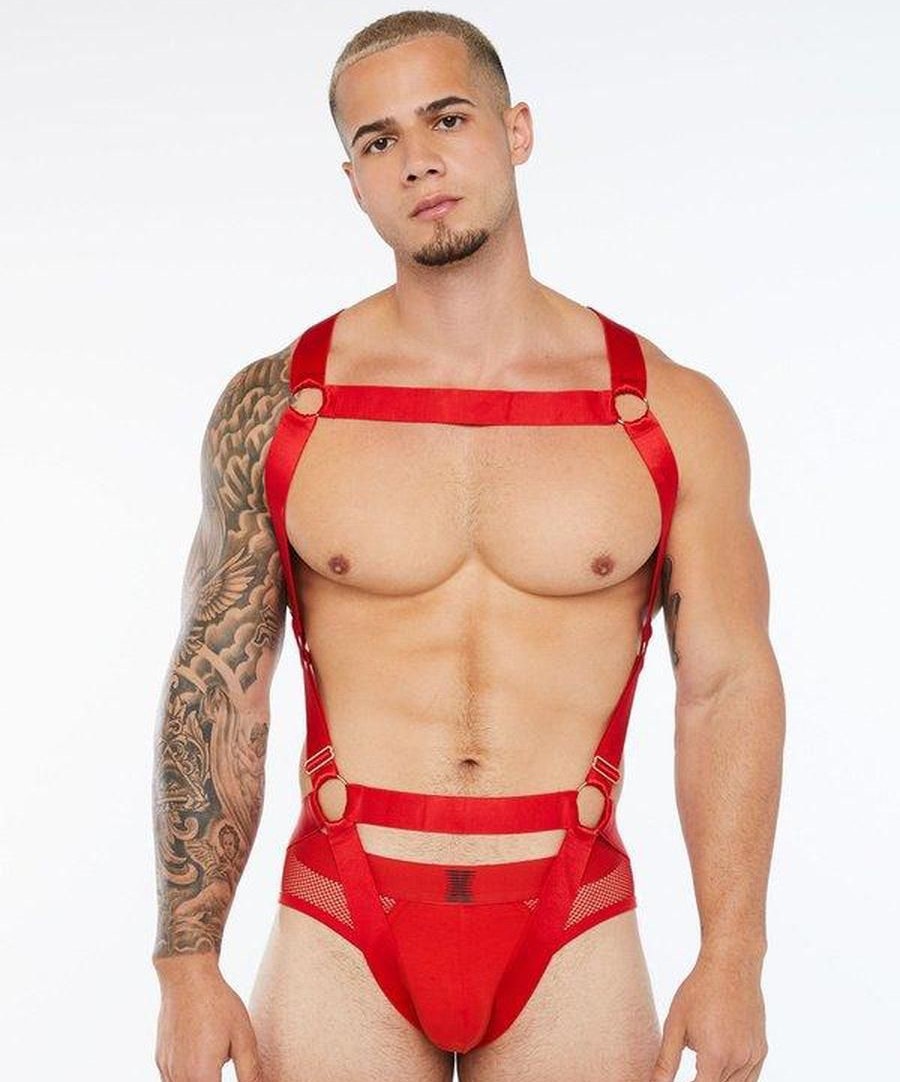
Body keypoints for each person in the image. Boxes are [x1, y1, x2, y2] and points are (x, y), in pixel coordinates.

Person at [152, 10, 784, 1082]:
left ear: (517, 130)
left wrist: (734, 955)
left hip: (570, 914)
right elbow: (219, 680)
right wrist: (186, 963)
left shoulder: (667, 409)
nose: (418, 160)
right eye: (379, 140)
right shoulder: (282, 403)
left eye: (447, 119)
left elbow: (725, 684)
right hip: (342, 911)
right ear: (352, 180)